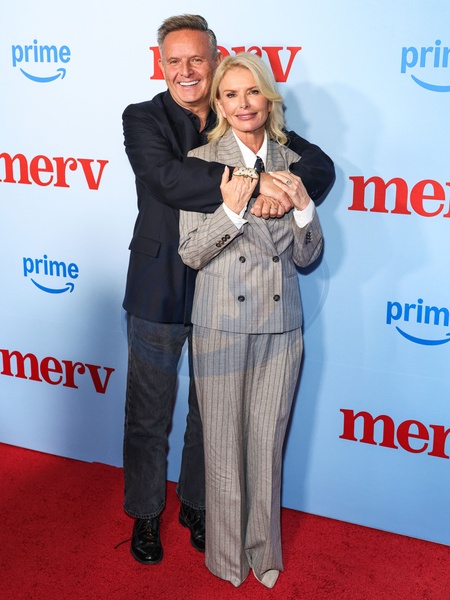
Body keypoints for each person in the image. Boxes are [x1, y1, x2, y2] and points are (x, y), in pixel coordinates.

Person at [122, 14, 334, 566]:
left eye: (197, 59)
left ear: (215, 61)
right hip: (160, 285)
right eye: (175, 61)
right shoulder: (143, 117)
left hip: (229, 291)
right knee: (149, 413)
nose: (186, 70)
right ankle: (145, 514)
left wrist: (286, 191)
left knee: (207, 416)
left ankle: (198, 506)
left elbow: (318, 165)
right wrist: (256, 182)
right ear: (161, 65)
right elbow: (169, 180)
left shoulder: (238, 109)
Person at [178, 52, 324, 588]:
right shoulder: (201, 161)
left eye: (252, 92)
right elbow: (191, 252)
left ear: (268, 99)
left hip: (281, 326)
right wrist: (232, 210)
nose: (243, 104)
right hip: (219, 323)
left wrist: (304, 209)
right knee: (222, 446)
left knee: (267, 445)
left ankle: (264, 554)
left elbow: (307, 257)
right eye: (231, 94)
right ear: (219, 104)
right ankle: (225, 558)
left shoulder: (293, 162)